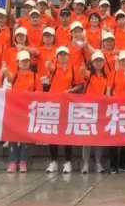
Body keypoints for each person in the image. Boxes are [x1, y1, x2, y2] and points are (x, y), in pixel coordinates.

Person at [0, 50, 42, 173]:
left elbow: (39, 92)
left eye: (27, 61)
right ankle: (12, 162)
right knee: (13, 136)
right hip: (15, 110)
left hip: (28, 110)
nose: (25, 63)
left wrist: (30, 95)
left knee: (24, 137)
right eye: (22, 61)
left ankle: (23, 161)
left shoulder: (35, 76)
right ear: (17, 63)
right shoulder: (15, 75)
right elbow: (8, 77)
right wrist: (4, 69)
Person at [46, 46, 84, 174]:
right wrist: (50, 64)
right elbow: (50, 69)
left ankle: (68, 162)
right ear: (57, 57)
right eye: (60, 55)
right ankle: (53, 161)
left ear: (68, 56)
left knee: (67, 132)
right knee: (53, 133)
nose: (63, 57)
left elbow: (80, 84)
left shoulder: (73, 68)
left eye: (65, 54)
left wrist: (71, 90)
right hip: (54, 104)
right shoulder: (54, 68)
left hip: (68, 104)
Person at [108, 50, 125, 174]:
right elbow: (108, 89)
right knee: (114, 137)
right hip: (115, 108)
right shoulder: (113, 73)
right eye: (122, 61)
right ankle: (113, 165)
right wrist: (109, 102)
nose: (124, 63)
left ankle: (123, 163)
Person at [81, 50, 108, 174]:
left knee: (99, 137)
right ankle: (85, 163)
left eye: (100, 61)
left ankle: (98, 162)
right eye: (96, 61)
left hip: (101, 110)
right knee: (87, 138)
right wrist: (82, 68)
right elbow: (83, 72)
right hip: (88, 109)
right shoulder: (89, 75)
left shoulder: (106, 76)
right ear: (92, 63)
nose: (98, 63)